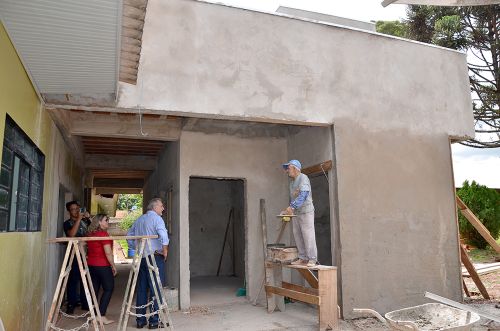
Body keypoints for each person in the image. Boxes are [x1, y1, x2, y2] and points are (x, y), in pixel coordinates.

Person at [127, 198, 169, 329]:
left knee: (141, 288)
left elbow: (129, 236)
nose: (163, 209)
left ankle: (140, 321)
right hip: (154, 257)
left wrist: (137, 247)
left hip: (142, 258)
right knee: (155, 289)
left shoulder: (139, 219)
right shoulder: (157, 219)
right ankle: (154, 321)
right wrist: (165, 250)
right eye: (161, 206)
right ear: (155, 207)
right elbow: (164, 235)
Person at [281, 159, 318, 268]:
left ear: (295, 168)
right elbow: (294, 198)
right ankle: (303, 258)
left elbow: (304, 195)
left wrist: (292, 207)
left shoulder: (303, 178)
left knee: (308, 235)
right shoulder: (292, 182)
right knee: (298, 235)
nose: (287, 170)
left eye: (288, 168)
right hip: (297, 213)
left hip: (306, 212)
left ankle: (312, 259)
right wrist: (287, 210)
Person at [86, 214, 116, 325]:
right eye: (106, 220)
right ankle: (101, 315)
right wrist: (113, 265)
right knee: (109, 288)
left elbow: (82, 244)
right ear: (99, 222)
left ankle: (94, 315)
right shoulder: (103, 234)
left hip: (91, 265)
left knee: (95, 290)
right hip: (102, 265)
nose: (108, 222)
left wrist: (85, 256)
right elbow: (108, 252)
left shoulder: (90, 233)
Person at [63, 200, 90, 314]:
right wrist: (79, 219)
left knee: (86, 278)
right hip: (73, 254)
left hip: (86, 254)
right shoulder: (67, 223)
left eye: (77, 209)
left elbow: (93, 230)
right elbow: (71, 234)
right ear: (69, 211)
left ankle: (85, 303)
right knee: (73, 279)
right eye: (73, 209)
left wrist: (89, 218)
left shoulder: (85, 222)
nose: (76, 211)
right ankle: (71, 303)